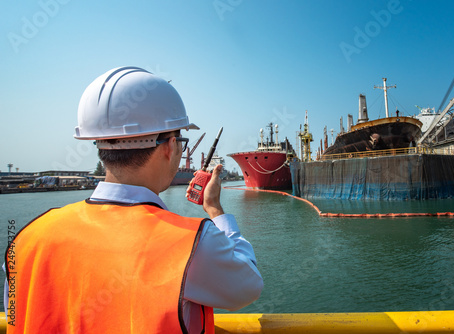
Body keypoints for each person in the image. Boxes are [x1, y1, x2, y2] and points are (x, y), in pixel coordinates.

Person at [4, 67, 263, 333]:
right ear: (170, 147)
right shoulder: (192, 245)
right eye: (182, 142)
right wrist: (216, 212)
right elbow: (249, 284)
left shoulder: (27, 239)